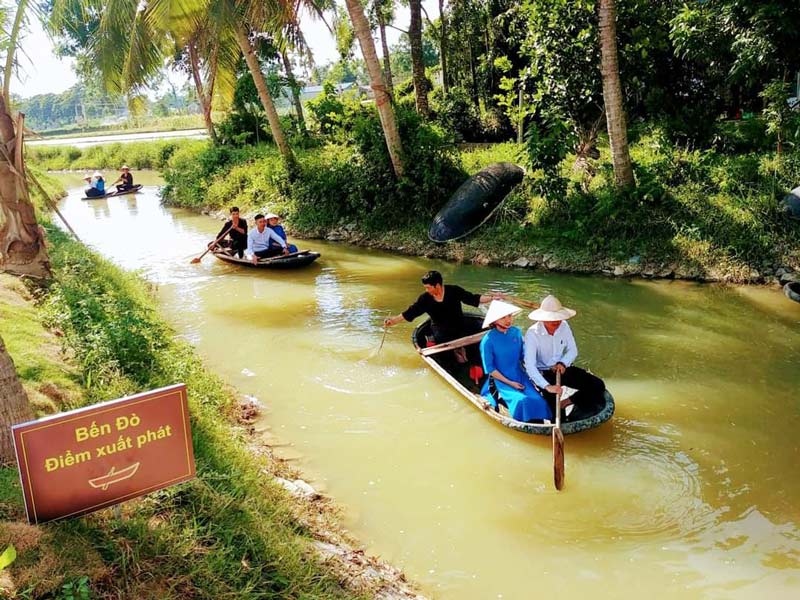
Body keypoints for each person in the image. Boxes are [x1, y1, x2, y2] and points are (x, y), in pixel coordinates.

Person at [383, 270, 503, 362]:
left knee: (475, 347)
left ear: (437, 285)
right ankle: (454, 355)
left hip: (460, 327)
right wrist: (393, 321)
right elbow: (410, 312)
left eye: (428, 287)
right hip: (441, 332)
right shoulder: (425, 299)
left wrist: (492, 298)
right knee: (447, 358)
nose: (426, 290)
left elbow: (473, 299)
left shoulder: (454, 291)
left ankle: (463, 352)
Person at [523, 295, 606, 421]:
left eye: (559, 319)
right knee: (557, 416)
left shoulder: (564, 326)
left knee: (598, 385)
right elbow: (530, 365)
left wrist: (563, 363)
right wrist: (547, 387)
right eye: (552, 320)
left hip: (561, 368)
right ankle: (556, 407)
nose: (557, 322)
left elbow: (573, 350)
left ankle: (566, 402)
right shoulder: (532, 334)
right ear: (543, 319)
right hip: (543, 374)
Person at [479, 300, 552, 423]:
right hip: (500, 380)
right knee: (521, 400)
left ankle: (540, 422)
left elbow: (524, 356)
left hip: (519, 374)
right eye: (503, 317)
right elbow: (490, 369)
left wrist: (540, 367)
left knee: (538, 399)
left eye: (509, 316)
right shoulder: (487, 340)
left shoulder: (516, 332)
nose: (508, 320)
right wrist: (511, 383)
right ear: (495, 320)